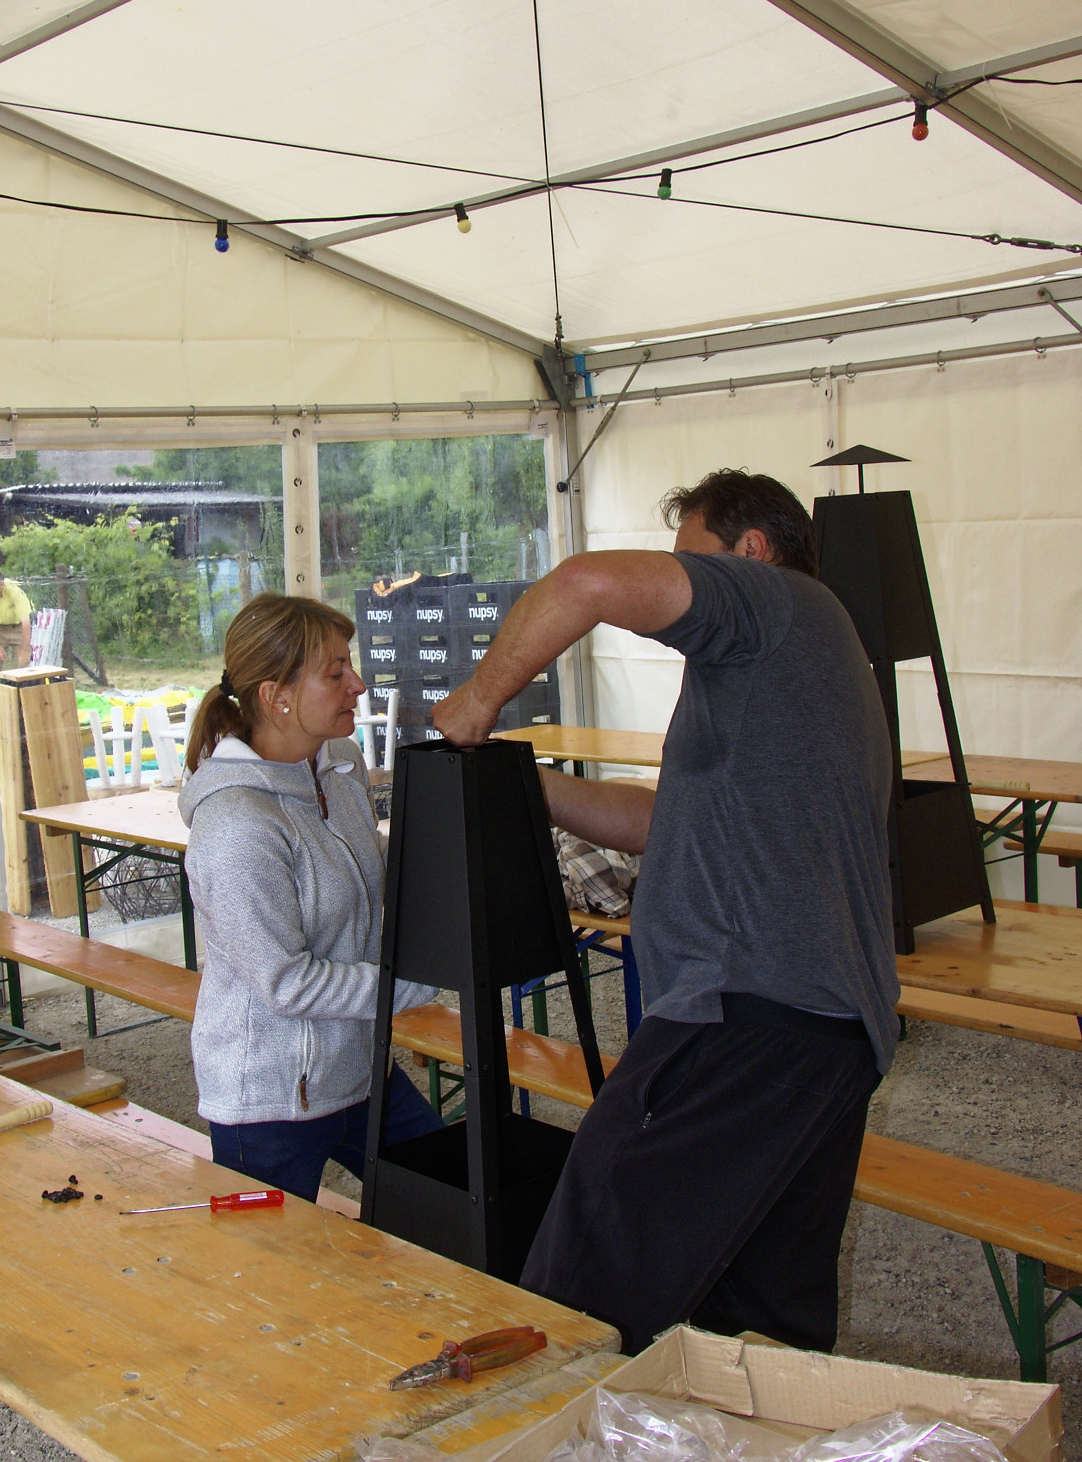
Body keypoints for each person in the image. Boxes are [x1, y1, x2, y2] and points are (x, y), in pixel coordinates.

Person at [434, 470, 898, 1356]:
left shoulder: (773, 605)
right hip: (822, 1031)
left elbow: (585, 582)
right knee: (754, 1328)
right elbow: (660, 823)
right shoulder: (794, 663)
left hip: (743, 1018)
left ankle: (548, 1444)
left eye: (693, 560)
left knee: (581, 1294)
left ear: (750, 552)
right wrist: (523, 780)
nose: (682, 584)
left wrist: (477, 699)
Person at [179, 592, 443, 1203]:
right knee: (269, 1259)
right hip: (270, 1099)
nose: (358, 684)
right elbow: (287, 983)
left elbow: (364, 877)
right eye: (336, 672)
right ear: (277, 696)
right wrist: (416, 981)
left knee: (447, 1196)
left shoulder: (340, 765)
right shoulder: (236, 824)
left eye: (351, 665)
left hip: (361, 1072)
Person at [0, 555, 33, 667]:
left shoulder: (14, 590)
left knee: (24, 664)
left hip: (17, 628)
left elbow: (26, 621)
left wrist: (25, 651)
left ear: (2, 584)